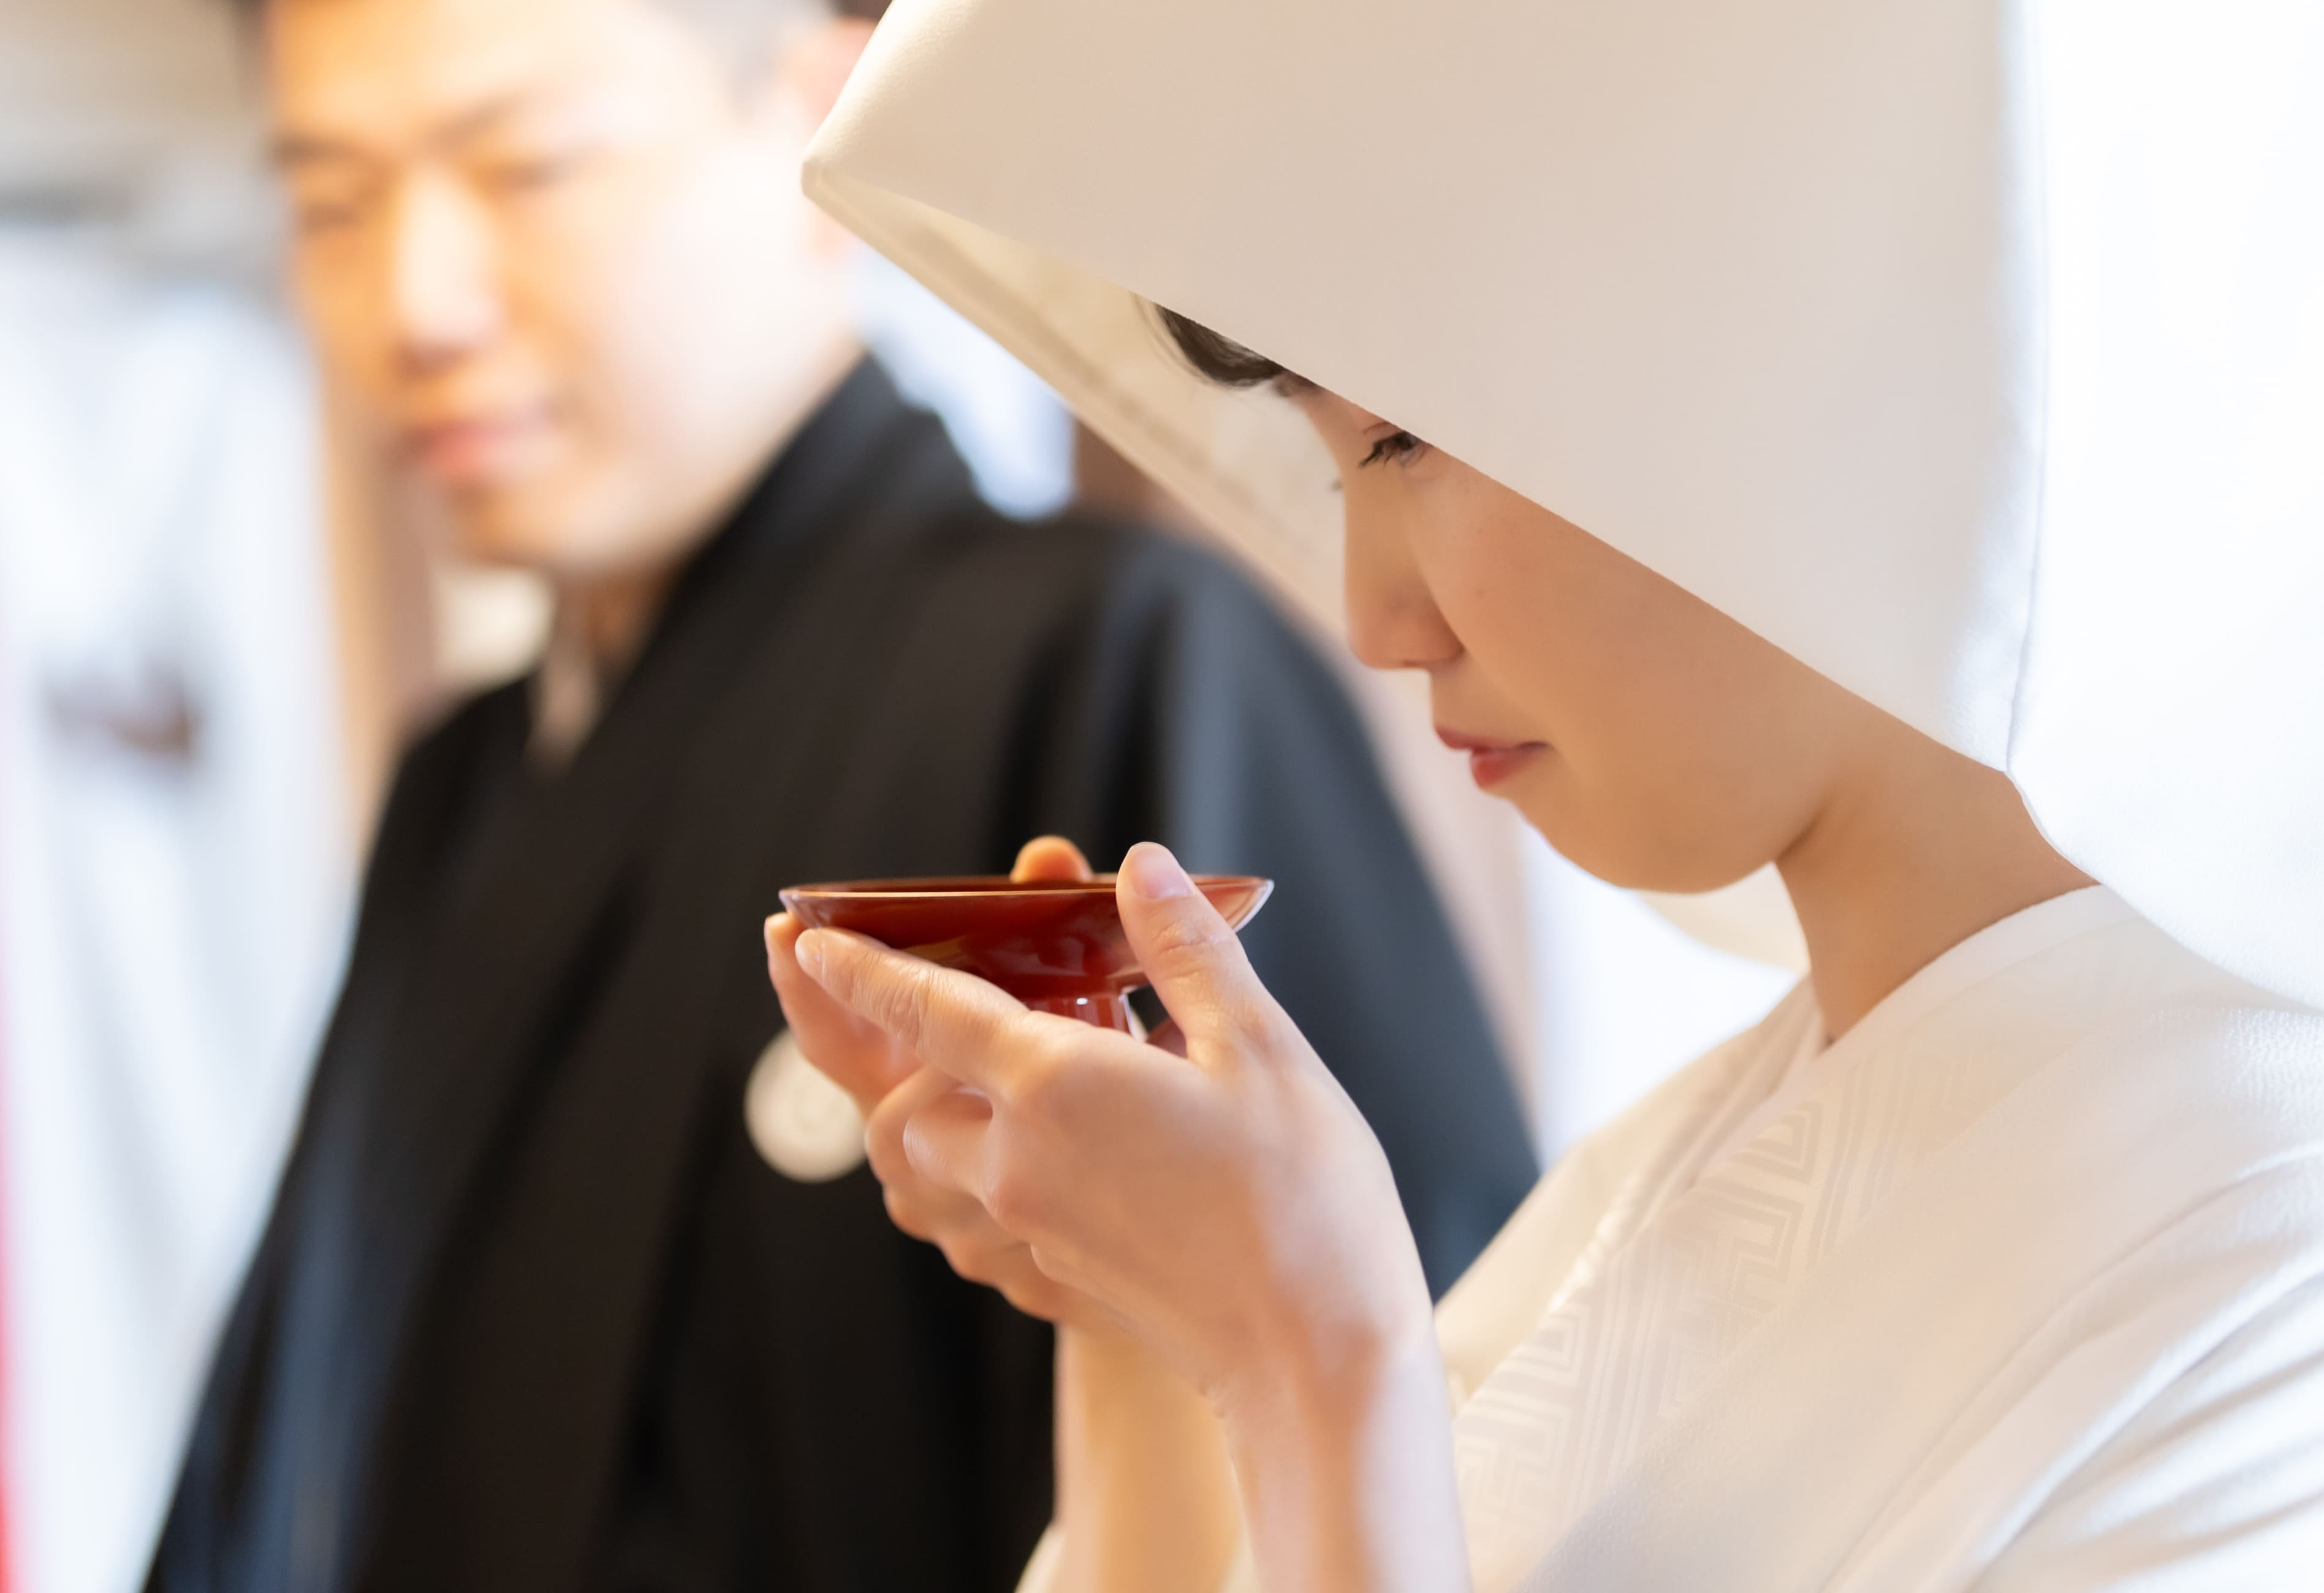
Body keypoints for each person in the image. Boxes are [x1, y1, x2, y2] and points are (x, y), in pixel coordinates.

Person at [769, 1, 2324, 1589]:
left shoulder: (2318, 1256)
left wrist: (1307, 1354)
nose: (1375, 622)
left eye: (1404, 439)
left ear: (1808, 385)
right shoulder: (1674, 1164)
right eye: (1333, 463)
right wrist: (1139, 1323)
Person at [148, 0, 1538, 1588]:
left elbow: (1417, 1430)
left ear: (814, 112)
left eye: (522, 166)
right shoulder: (460, 788)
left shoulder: (1110, 663)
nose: (415, 301)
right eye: (329, 201)